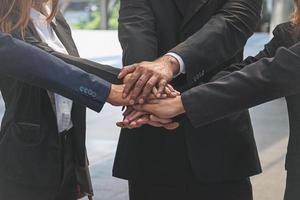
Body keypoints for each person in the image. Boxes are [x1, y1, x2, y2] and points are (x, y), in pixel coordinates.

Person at [130, 0, 300, 199]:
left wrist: (179, 102)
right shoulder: (291, 33)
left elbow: (268, 74)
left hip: (223, 150)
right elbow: (247, 70)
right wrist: (150, 89)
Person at [0, 0, 138, 199]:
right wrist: (120, 86)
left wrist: (78, 158)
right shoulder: (8, 22)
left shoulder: (56, 19)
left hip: (67, 148)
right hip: (28, 156)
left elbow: (74, 68)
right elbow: (53, 63)